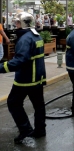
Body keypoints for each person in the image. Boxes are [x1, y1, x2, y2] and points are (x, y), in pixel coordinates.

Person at [0, 12, 46, 144]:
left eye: (18, 22)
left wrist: (2, 67)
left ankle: (25, 130)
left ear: (24, 24)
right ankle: (40, 130)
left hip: (25, 79)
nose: (16, 24)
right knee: (39, 105)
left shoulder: (25, 39)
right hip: (37, 78)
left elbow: (20, 61)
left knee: (13, 103)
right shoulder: (36, 36)